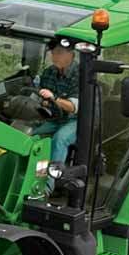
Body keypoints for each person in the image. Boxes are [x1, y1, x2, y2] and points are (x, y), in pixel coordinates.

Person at [33, 37, 79, 165]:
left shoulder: (80, 74)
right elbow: (41, 96)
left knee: (60, 139)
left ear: (72, 54)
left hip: (76, 120)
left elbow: (72, 107)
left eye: (59, 52)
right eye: (53, 52)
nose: (55, 56)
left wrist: (53, 98)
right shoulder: (49, 72)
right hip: (55, 118)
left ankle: (50, 182)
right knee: (31, 136)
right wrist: (43, 102)